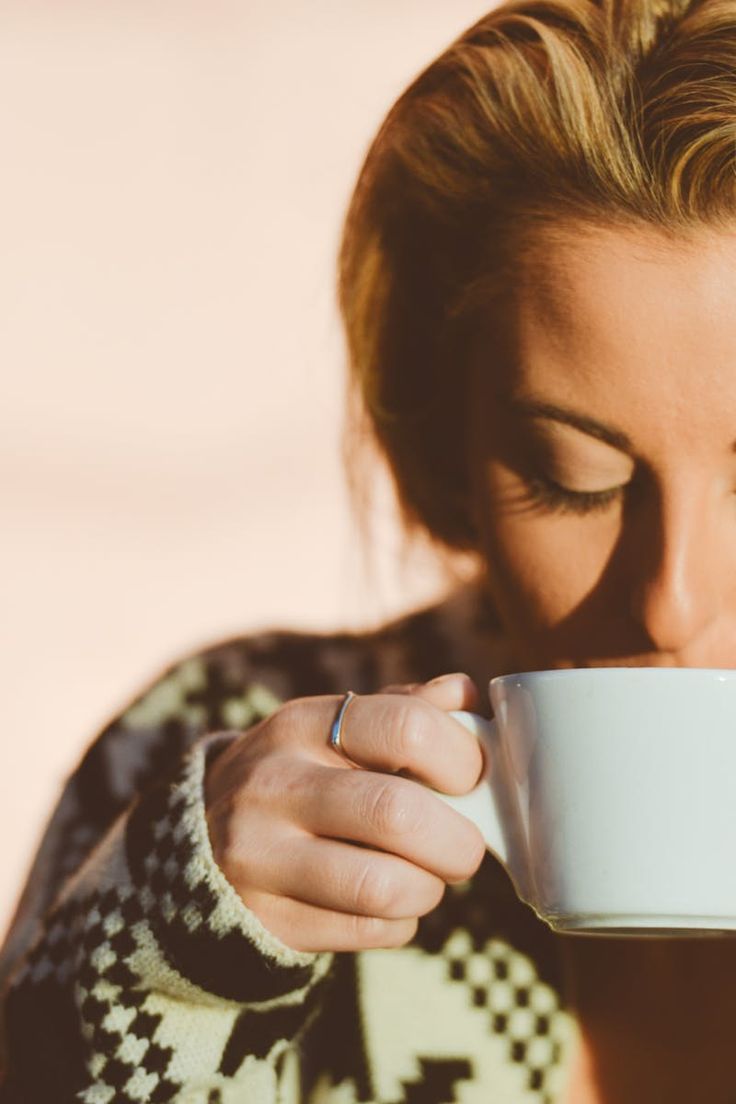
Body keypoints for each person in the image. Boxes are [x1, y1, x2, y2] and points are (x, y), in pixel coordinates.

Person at [3, 0, 736, 1099]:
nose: (670, 602)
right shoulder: (211, 742)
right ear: (449, 455)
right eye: (570, 480)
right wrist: (171, 972)